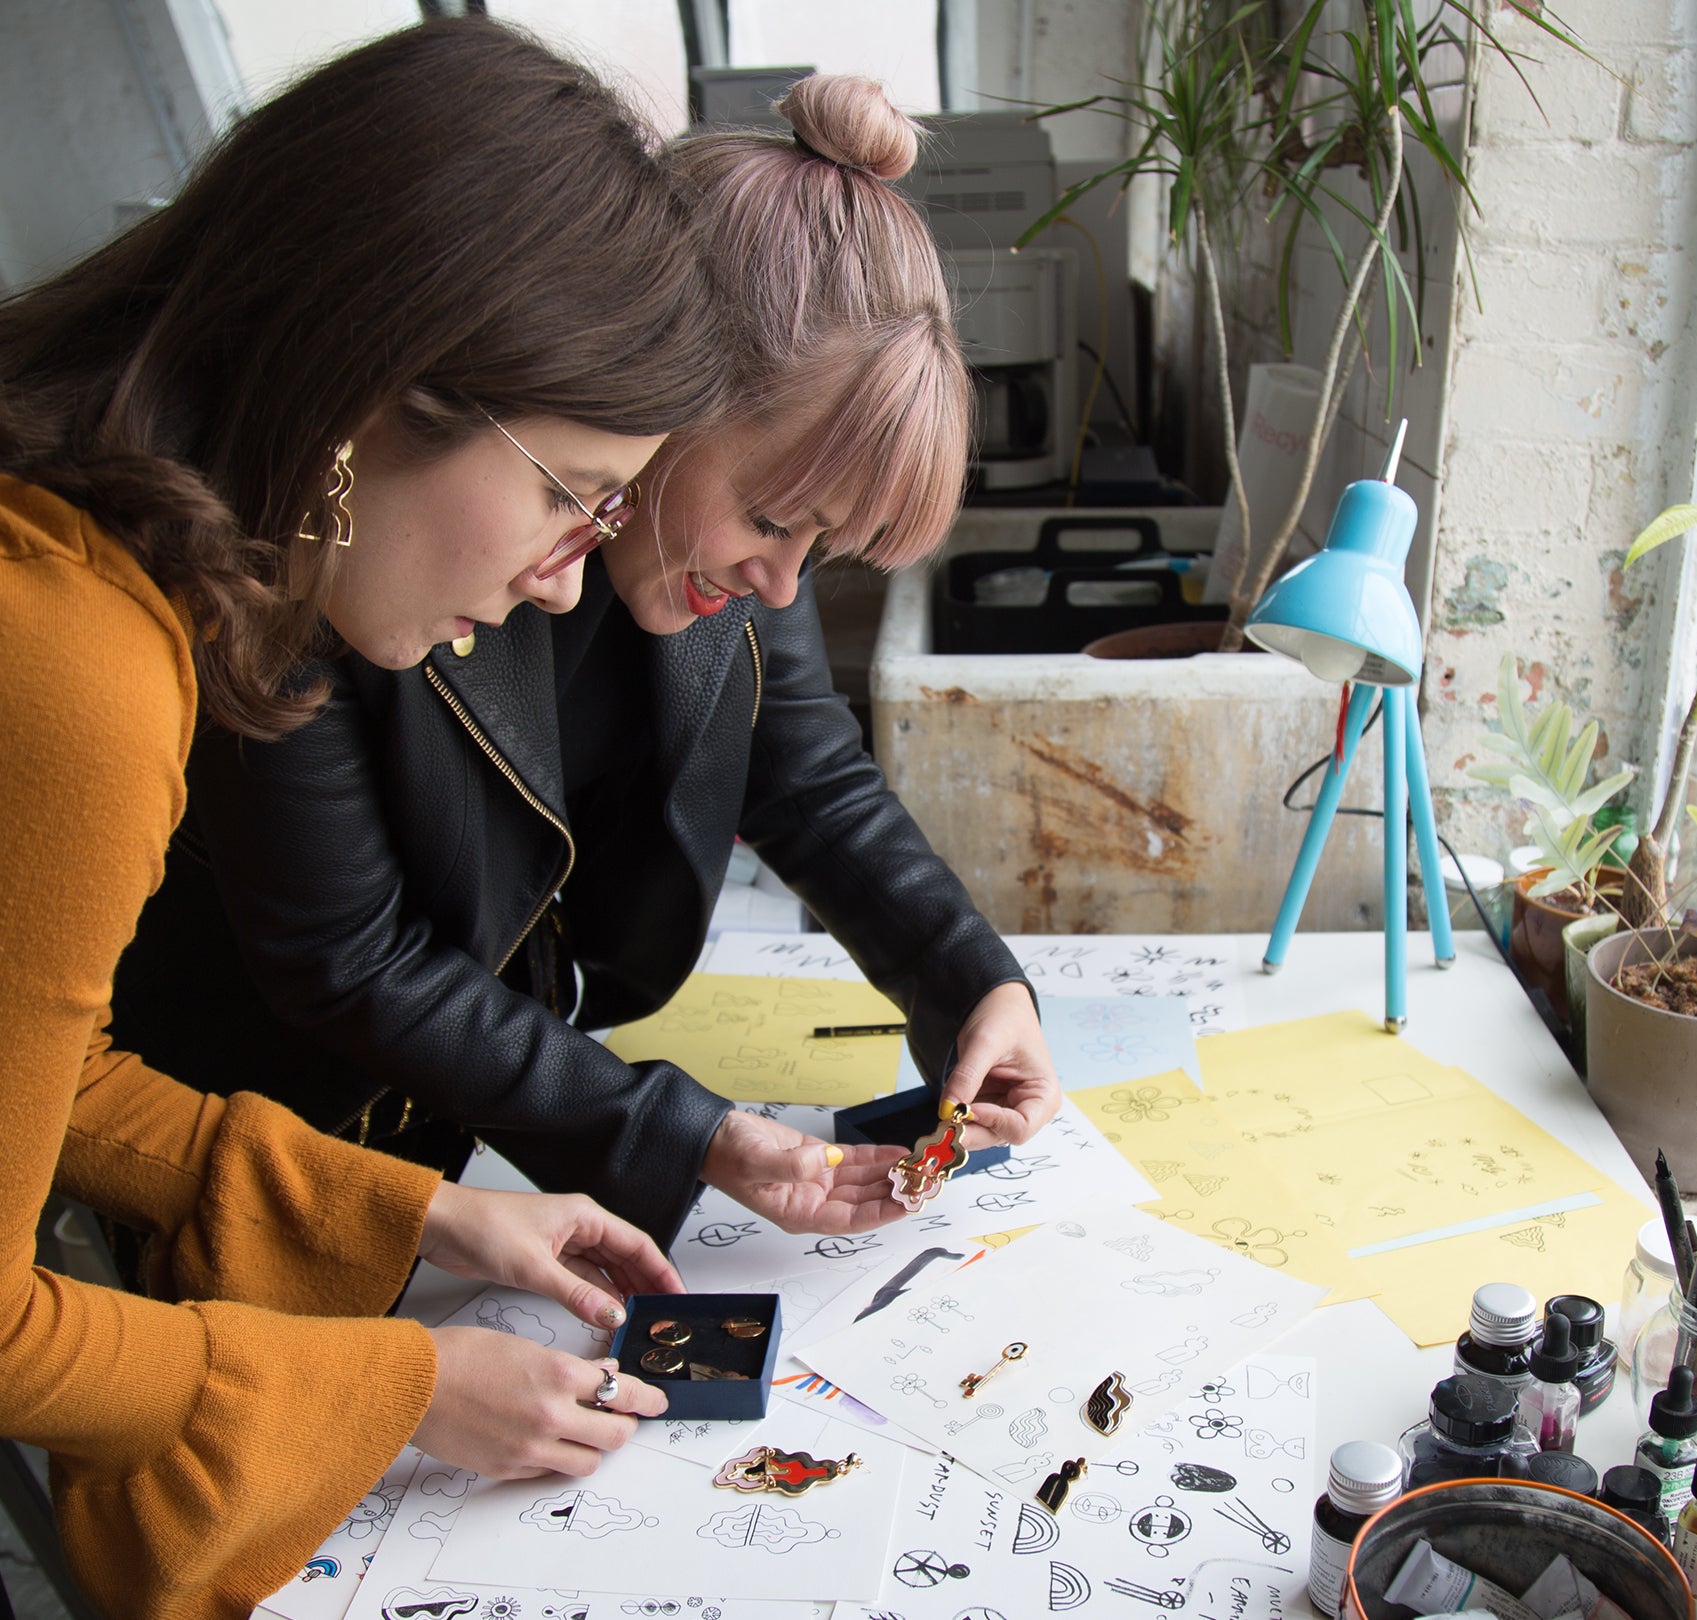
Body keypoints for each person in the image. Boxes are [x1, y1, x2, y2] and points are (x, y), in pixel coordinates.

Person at [0, 24, 736, 1618]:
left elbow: (0, 1076)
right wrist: (399, 1386)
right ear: (373, 391)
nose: (570, 576)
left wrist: (418, 1209)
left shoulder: (10, 503)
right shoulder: (49, 669)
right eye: (570, 493)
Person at [109, 76, 1061, 1249]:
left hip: (477, 1135)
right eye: (771, 517)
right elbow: (348, 955)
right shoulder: (345, 550)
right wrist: (679, 1133)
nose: (781, 581)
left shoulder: (740, 559)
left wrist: (972, 981)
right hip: (259, 1146)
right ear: (659, 392)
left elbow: (812, 781)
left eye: (826, 549)